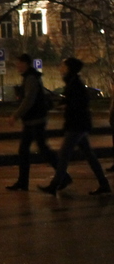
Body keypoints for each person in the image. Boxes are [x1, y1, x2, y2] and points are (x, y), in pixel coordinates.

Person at [39, 57, 111, 195]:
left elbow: (77, 105)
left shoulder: (75, 84)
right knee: (89, 156)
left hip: (76, 125)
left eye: (63, 65)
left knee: (64, 155)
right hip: (79, 125)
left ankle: (54, 185)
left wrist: (65, 106)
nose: (60, 68)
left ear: (69, 68)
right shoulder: (73, 82)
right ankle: (104, 183)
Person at [7, 54, 58, 191]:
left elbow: (29, 99)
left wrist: (16, 115)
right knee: (27, 150)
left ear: (25, 64)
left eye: (19, 64)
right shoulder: (30, 77)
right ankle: (23, 182)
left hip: (35, 120)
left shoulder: (30, 78)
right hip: (32, 120)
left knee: (40, 149)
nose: (17, 67)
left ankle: (62, 175)